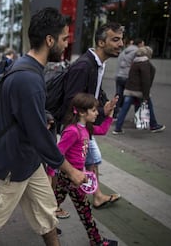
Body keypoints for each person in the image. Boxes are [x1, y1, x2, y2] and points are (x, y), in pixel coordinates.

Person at [0, 7, 86, 246]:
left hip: (29, 160)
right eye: (64, 38)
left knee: (46, 213)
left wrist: (43, 114)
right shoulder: (28, 77)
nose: (66, 44)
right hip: (12, 164)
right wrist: (71, 170)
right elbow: (38, 134)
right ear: (50, 40)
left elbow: (24, 113)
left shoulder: (27, 68)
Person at [61, 22, 123, 209]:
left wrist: (104, 107)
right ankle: (53, 204)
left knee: (91, 161)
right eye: (115, 39)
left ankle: (96, 196)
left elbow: (94, 91)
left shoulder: (96, 64)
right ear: (101, 43)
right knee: (64, 168)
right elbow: (72, 99)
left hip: (84, 123)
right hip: (76, 125)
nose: (121, 44)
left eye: (121, 40)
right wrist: (85, 120)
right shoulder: (84, 65)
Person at [55, 93, 118, 246]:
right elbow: (56, 154)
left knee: (53, 203)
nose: (97, 113)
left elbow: (102, 130)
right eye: (94, 110)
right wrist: (51, 174)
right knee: (85, 212)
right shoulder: (72, 131)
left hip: (72, 176)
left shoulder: (86, 128)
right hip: (73, 177)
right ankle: (97, 241)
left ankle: (46, 226)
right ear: (82, 112)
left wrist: (109, 116)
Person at [113, 46, 165, 134]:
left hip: (130, 89)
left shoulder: (135, 62)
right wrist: (146, 95)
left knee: (124, 109)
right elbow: (146, 80)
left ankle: (117, 128)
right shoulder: (145, 63)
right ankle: (153, 125)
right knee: (149, 107)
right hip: (139, 91)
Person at [114, 38, 144, 118]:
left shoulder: (124, 51)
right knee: (133, 98)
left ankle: (115, 114)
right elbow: (137, 65)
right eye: (142, 44)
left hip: (119, 76)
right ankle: (137, 118)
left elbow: (119, 63)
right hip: (128, 77)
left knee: (118, 96)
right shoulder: (137, 52)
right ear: (139, 44)